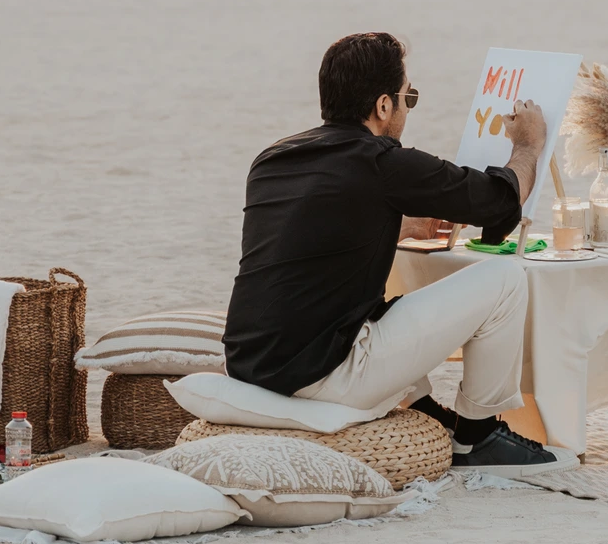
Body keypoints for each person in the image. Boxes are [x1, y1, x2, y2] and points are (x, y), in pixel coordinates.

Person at [223, 31, 573, 477]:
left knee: (381, 307)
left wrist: (398, 225)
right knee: (503, 279)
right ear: (383, 105)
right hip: (318, 377)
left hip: (251, 365)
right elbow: (499, 202)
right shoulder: (381, 163)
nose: (408, 107)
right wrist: (526, 145)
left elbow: (305, 239)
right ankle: (478, 437)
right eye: (409, 97)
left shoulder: (273, 159)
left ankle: (427, 411)